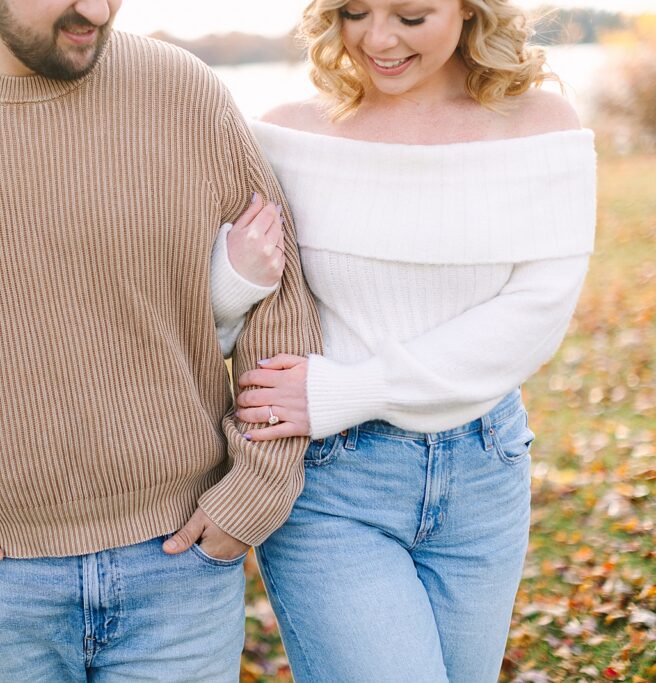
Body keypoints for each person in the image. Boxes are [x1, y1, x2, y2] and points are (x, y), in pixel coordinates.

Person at [0, 0, 321, 679]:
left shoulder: (187, 97)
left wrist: (254, 491)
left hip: (181, 570)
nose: (97, 9)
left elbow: (277, 306)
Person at [221, 1, 596, 681]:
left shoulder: (543, 128)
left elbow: (537, 312)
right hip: (334, 482)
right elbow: (223, 306)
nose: (377, 38)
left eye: (411, 15)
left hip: (486, 471)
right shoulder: (285, 135)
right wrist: (233, 275)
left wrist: (348, 388)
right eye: (356, 11)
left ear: (468, 11)